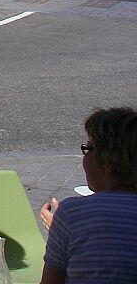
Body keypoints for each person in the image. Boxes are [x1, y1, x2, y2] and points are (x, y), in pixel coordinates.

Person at [38, 107, 137, 284]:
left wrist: (63, 228)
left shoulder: (72, 214)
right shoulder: (73, 217)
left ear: (109, 163)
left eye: (88, 149)